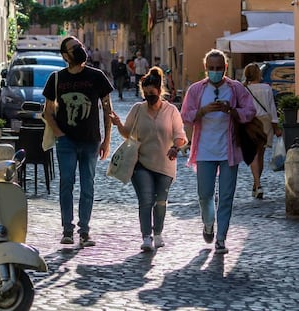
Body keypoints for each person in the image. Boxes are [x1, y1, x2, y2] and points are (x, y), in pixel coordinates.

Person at [180, 49, 256, 254]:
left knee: (226, 197)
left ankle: (221, 238)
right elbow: (185, 115)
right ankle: (208, 223)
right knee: (204, 194)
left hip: (229, 151)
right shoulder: (196, 90)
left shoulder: (235, 89)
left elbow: (250, 111)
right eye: (211, 68)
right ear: (206, 68)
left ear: (225, 68)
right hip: (204, 150)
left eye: (219, 68)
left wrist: (231, 111)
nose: (215, 72)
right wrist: (202, 112)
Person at [42, 36, 114, 247]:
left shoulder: (97, 77)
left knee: (87, 187)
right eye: (75, 48)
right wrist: (59, 134)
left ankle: (84, 231)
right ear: (65, 55)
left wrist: (107, 139)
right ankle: (67, 230)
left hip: (91, 141)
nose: (80, 50)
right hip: (66, 143)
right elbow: (48, 112)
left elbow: (107, 110)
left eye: (80, 46)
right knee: (66, 184)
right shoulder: (57, 79)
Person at [110, 66, 188, 251]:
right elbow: (128, 134)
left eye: (151, 93)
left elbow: (180, 135)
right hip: (141, 163)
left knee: (160, 201)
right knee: (145, 200)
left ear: (160, 91)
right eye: (145, 94)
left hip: (165, 164)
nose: (148, 97)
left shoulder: (171, 111)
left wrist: (175, 147)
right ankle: (146, 236)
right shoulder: (137, 109)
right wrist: (119, 124)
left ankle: (158, 232)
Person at [243, 63, 283, 199]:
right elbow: (272, 108)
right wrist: (276, 126)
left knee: (253, 155)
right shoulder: (266, 88)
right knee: (260, 154)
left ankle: (257, 184)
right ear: (258, 74)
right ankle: (256, 184)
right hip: (265, 122)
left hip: (251, 122)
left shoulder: (245, 89)